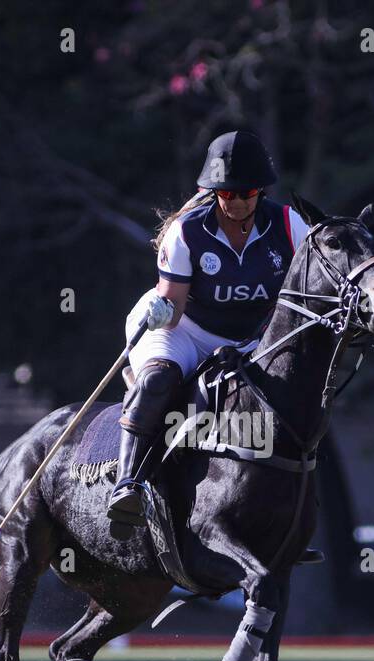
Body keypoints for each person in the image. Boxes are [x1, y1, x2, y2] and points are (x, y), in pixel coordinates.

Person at [106, 130, 311, 534]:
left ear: (261, 191)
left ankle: (293, 517)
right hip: (188, 330)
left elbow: (309, 291)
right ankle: (127, 485)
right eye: (227, 194)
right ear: (213, 192)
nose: (237, 202)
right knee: (158, 379)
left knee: (295, 397)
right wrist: (160, 309)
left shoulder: (289, 225)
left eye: (247, 193)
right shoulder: (188, 231)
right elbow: (174, 306)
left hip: (255, 340)